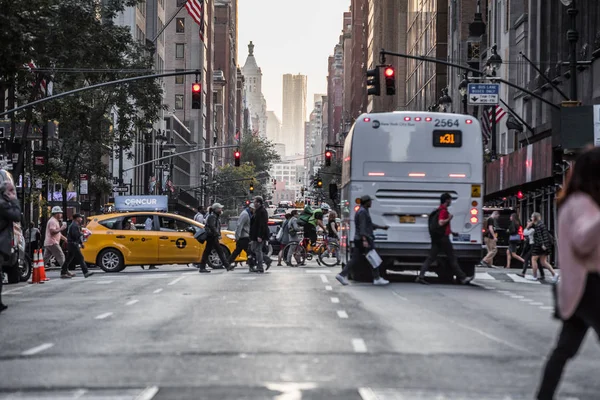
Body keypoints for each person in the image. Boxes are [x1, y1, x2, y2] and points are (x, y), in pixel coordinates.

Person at [536, 147, 600, 399]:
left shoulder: (574, 201)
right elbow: (583, 240)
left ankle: (543, 396)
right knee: (563, 349)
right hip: (590, 285)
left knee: (564, 349)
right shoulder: (582, 203)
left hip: (577, 287)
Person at [416, 193, 474, 285]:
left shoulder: (439, 209)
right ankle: (462, 277)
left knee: (430, 258)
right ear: (447, 200)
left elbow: (442, 226)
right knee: (452, 258)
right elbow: (441, 223)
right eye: (450, 200)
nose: (451, 201)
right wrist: (449, 218)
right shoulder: (443, 211)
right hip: (443, 239)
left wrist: (452, 232)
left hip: (437, 238)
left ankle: (421, 276)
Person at [335, 195, 390, 286]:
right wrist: (365, 240)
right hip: (363, 239)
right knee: (373, 258)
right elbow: (363, 227)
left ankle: (342, 275)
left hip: (360, 239)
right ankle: (377, 278)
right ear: (366, 202)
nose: (371, 203)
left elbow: (369, 224)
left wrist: (381, 227)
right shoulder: (362, 212)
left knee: (359, 259)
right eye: (370, 201)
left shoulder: (363, 211)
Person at [0, 180, 21, 313]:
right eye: (12, 191)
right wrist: (14, 201)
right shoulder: (3, 204)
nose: (14, 193)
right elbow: (16, 216)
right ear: (5, 192)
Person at [197, 203, 232, 273]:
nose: (221, 209)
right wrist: (217, 234)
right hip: (212, 236)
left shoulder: (215, 216)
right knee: (218, 251)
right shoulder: (212, 216)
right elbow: (212, 227)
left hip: (212, 236)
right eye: (219, 208)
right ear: (216, 209)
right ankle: (227, 266)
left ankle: (202, 267)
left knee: (212, 251)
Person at [530, 212, 558, 282]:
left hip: (539, 246)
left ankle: (535, 276)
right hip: (546, 245)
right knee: (543, 261)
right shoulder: (542, 224)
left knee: (533, 259)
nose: (531, 218)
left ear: (534, 218)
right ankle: (554, 274)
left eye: (532, 217)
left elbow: (540, 237)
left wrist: (542, 244)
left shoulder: (538, 226)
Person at [64, 214, 94, 278]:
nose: (81, 219)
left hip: (71, 244)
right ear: (77, 218)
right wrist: (82, 234)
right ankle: (85, 272)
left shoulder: (74, 225)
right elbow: (75, 235)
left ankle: (63, 271)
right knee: (81, 258)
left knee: (68, 259)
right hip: (73, 244)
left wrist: (81, 243)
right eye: (80, 218)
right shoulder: (74, 226)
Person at [43, 206, 70, 279]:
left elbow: (57, 233)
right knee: (61, 256)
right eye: (60, 213)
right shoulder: (53, 221)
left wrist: (64, 238)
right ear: (56, 214)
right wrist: (62, 228)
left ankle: (39, 270)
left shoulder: (54, 221)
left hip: (49, 243)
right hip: (53, 242)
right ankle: (64, 272)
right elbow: (52, 232)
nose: (61, 215)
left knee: (45, 259)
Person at [228, 203, 254, 268]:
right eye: (254, 209)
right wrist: (237, 236)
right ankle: (252, 265)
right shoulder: (245, 214)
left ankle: (228, 263)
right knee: (249, 251)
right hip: (243, 236)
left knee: (238, 251)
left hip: (245, 236)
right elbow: (239, 225)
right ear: (251, 208)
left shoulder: (248, 214)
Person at [249, 196, 270, 273]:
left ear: (258, 203)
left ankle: (260, 267)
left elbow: (262, 224)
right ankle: (267, 260)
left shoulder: (262, 211)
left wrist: (260, 236)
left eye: (255, 202)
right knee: (254, 249)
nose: (253, 203)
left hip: (260, 235)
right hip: (255, 234)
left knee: (258, 250)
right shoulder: (257, 211)